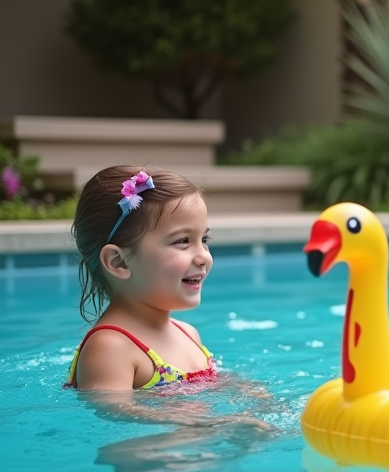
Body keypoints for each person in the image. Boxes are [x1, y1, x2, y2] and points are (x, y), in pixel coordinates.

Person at [66, 166, 269, 428]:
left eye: (204, 239)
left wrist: (248, 391)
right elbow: (111, 410)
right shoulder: (111, 346)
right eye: (182, 241)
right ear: (119, 262)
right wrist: (214, 425)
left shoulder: (188, 334)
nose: (203, 256)